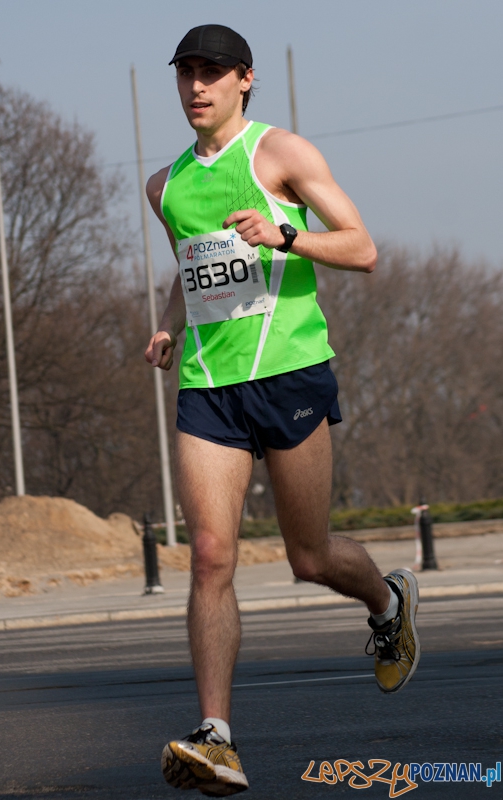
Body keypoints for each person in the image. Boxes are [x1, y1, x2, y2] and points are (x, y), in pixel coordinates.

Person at [145, 24, 420, 797]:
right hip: (208, 385)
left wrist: (285, 234)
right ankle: (216, 736)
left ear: (243, 79)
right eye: (185, 73)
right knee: (210, 554)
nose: (196, 86)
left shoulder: (281, 154)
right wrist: (168, 324)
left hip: (290, 374)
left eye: (211, 72)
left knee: (309, 557)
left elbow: (362, 249)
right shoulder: (164, 185)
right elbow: (190, 269)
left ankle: (387, 601)